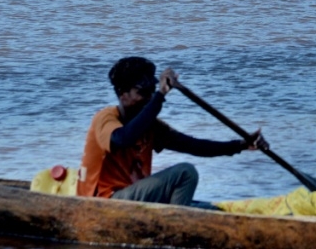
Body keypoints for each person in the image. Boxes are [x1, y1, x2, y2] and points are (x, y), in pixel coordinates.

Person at [77, 57, 263, 206]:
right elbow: (122, 139)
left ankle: (180, 220)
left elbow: (193, 146)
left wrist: (241, 145)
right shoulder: (106, 118)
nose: (148, 98)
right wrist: (160, 96)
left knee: (213, 210)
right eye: (143, 93)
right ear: (122, 94)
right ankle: (177, 227)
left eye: (151, 92)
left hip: (135, 201)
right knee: (186, 173)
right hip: (105, 202)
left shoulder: (151, 126)